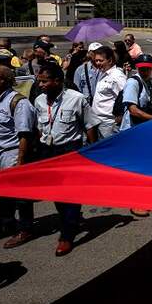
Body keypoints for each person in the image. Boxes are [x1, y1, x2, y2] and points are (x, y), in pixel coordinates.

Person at [32, 63, 99, 256]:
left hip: (70, 150)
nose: (41, 84)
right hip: (48, 151)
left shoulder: (76, 99)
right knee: (56, 193)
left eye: (45, 81)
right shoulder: (39, 101)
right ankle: (71, 217)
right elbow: (39, 127)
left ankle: (67, 235)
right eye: (40, 81)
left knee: (70, 193)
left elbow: (89, 125)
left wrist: (91, 152)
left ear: (58, 81)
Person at [0, 66, 37, 249]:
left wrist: (20, 161)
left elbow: (25, 135)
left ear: (4, 82)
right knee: (2, 190)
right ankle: (8, 223)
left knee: (20, 193)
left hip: (12, 154)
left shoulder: (19, 103)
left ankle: (25, 228)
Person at [90, 46, 127, 140]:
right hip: (97, 121)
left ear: (110, 60)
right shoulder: (102, 73)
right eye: (96, 60)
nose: (97, 63)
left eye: (100, 61)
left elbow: (126, 97)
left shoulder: (117, 76)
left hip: (108, 124)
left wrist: (120, 117)